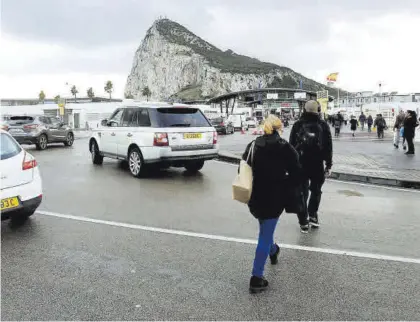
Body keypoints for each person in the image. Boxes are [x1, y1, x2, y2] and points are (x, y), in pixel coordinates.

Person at [242, 115, 301, 293]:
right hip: (275, 197)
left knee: (265, 229)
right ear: (278, 128)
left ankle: (273, 250)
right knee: (265, 236)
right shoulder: (284, 147)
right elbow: (297, 172)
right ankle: (256, 278)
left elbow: (243, 168)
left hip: (255, 196)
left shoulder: (253, 146)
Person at [290, 100, 333, 232]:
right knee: (316, 190)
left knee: (302, 192)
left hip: (300, 164)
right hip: (317, 164)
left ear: (304, 110)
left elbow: (291, 146)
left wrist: (290, 165)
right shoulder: (323, 125)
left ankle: (303, 221)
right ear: (318, 110)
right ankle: (313, 215)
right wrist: (328, 164)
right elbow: (328, 146)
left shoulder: (297, 125)